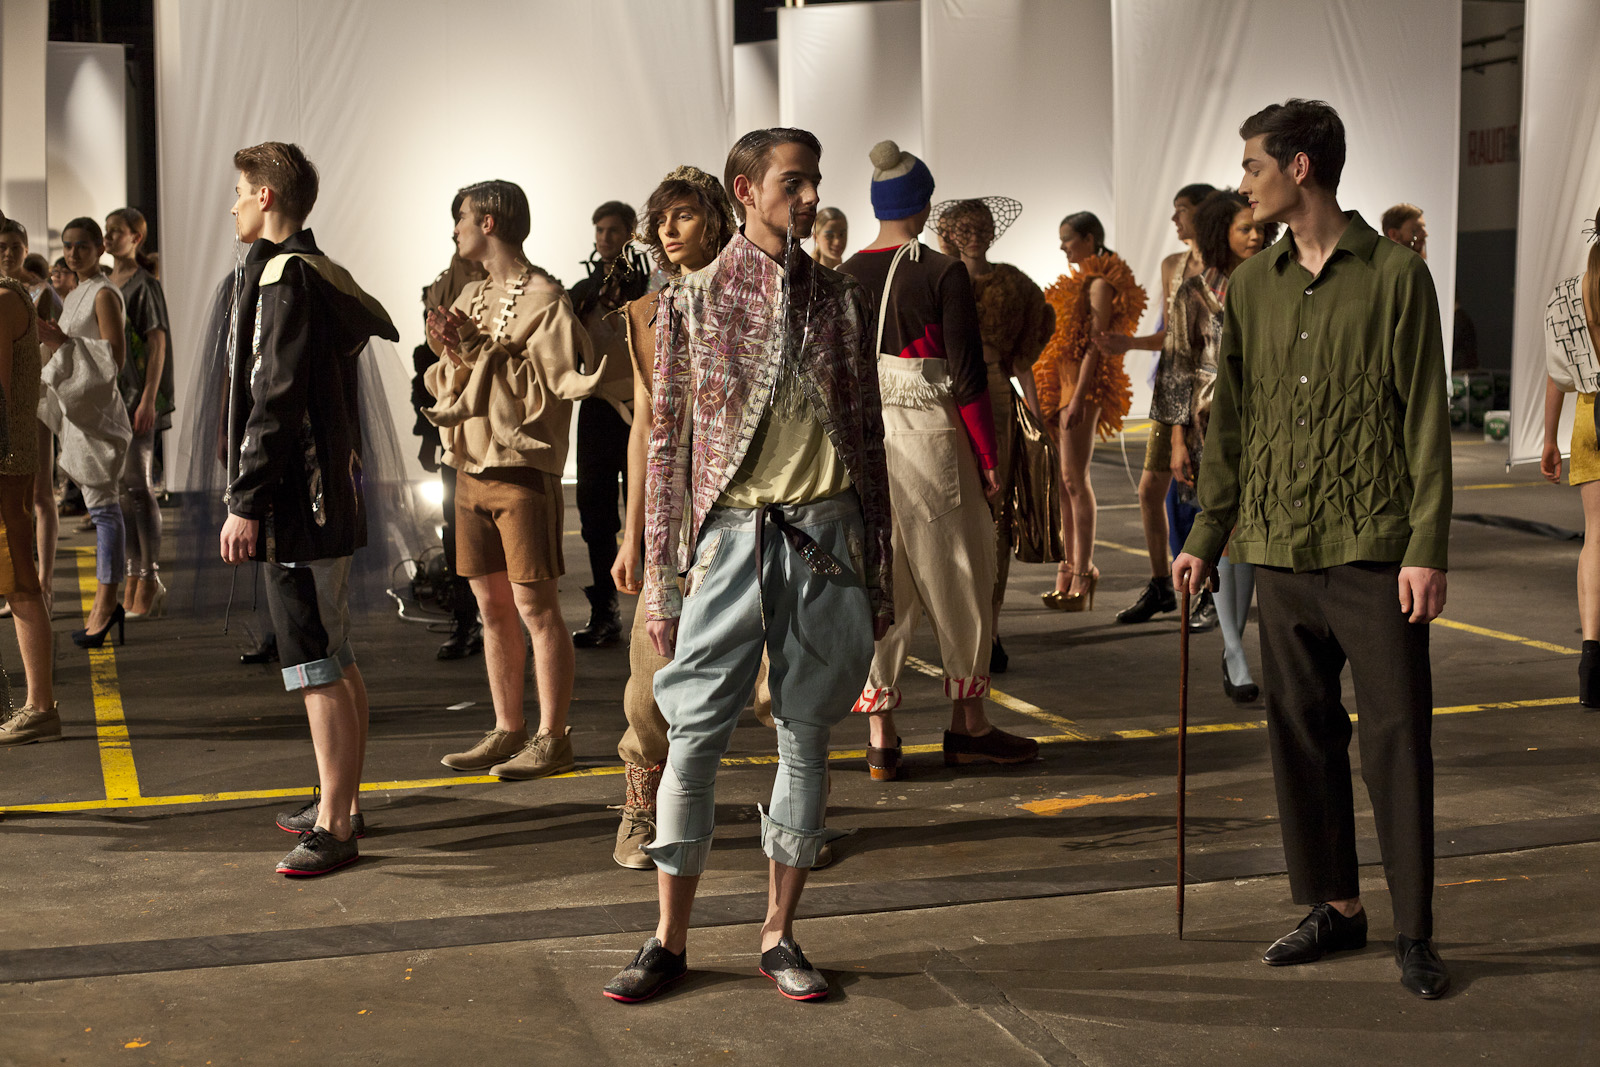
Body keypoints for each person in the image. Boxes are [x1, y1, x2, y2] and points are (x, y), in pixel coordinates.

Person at [602, 127, 891, 1004]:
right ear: (745, 188)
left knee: (806, 735)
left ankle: (779, 932)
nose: (809, 197)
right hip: (728, 540)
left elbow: (868, 436)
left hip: (827, 539)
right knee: (691, 737)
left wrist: (877, 564)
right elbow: (667, 451)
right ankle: (667, 938)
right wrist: (661, 577)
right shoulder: (689, 302)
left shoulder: (839, 296)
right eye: (793, 182)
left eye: (815, 183)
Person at [1172, 100, 1452, 1000]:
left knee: (1398, 739)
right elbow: (1235, 428)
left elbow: (1425, 422)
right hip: (1278, 548)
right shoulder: (1251, 288)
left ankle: (1414, 928)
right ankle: (1337, 905)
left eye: (1252, 165)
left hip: (1374, 546)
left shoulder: (1397, 277)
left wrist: (1426, 546)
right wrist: (1208, 536)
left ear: (1299, 167)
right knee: (1300, 738)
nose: (1241, 181)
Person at [218, 141, 398, 876]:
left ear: (266, 196)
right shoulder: (310, 272)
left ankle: (334, 822)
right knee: (334, 652)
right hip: (318, 497)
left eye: (238, 190)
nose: (231, 203)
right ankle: (339, 800)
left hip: (300, 501)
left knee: (315, 661)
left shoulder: (286, 278)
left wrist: (245, 499)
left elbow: (276, 399)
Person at [842, 145, 1033, 781]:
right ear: (923, 205)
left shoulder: (842, 273)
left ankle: (881, 736)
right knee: (960, 574)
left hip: (864, 443)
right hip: (929, 434)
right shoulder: (941, 272)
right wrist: (988, 458)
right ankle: (968, 724)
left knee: (881, 581)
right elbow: (969, 374)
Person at [423, 180, 601, 781]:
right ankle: (508, 729)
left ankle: (553, 736)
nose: (455, 230)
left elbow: (548, 391)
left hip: (522, 472)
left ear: (490, 222)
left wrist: (476, 352)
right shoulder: (472, 293)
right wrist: (453, 353)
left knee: (536, 606)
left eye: (462, 219)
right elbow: (455, 379)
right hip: (470, 470)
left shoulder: (547, 299)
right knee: (490, 606)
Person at [607, 165, 739, 869]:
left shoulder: (753, 300)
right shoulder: (645, 314)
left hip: (749, 503)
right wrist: (633, 534)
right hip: (673, 511)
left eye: (684, 214)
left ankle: (796, 804)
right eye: (661, 217)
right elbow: (643, 429)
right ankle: (641, 806)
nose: (668, 228)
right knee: (652, 670)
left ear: (716, 218)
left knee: (780, 677)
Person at [931, 196, 1051, 674]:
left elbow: (1021, 360)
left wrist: (1038, 420)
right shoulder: (937, 277)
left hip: (996, 393)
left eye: (982, 226)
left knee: (995, 511)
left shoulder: (1014, 285)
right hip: (942, 393)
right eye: (966, 227)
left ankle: (991, 627)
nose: (975, 234)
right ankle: (956, 626)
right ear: (951, 232)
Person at [1170, 190, 1276, 703]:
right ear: (1220, 234)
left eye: (1258, 226)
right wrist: (1174, 440)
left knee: (1247, 531)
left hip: (1264, 418)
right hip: (1208, 423)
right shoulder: (1193, 292)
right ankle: (1234, 648)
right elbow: (1177, 368)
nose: (1255, 234)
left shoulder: (1275, 280)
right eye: (1243, 228)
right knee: (1222, 527)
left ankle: (1234, 643)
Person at [1095, 183, 1215, 624]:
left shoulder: (1228, 267)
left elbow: (1190, 336)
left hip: (1211, 392)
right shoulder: (1173, 265)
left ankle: (1206, 589)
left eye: (1182, 210)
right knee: (1152, 490)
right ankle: (1162, 584)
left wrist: (1128, 341)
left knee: (1203, 495)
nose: (1174, 219)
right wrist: (1132, 342)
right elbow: (1173, 333)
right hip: (1174, 386)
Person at [1034, 212, 1147, 611]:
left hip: (1081, 387)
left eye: (1067, 239)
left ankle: (1084, 569)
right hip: (1060, 383)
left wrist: (1079, 397)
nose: (1062, 246)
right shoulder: (1076, 284)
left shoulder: (1099, 285)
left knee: (1074, 477)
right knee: (1062, 482)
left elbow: (1095, 345)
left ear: (1088, 238)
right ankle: (1067, 565)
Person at [37, 218, 130, 648]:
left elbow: (114, 357)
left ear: (98, 249)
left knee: (106, 511)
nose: (72, 254)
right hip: (82, 415)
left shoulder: (104, 293)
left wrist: (62, 343)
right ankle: (104, 604)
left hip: (98, 416)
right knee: (101, 510)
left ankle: (108, 603)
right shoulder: (75, 292)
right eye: (67, 246)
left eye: (81, 246)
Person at [569, 200, 651, 649]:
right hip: (598, 411)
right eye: (599, 229)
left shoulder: (650, 288)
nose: (604, 237)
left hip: (642, 410)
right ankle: (605, 611)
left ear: (630, 232)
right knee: (595, 516)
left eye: (613, 229)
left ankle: (653, 610)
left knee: (644, 512)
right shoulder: (582, 291)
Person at [0, 208, 60, 746]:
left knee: (20, 581)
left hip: (3, 463)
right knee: (18, 581)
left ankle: (40, 703)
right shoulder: (15, 296)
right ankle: (38, 702)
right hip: (10, 458)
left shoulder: (3, 299)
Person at [1539, 204, 1600, 708]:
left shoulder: (1565, 295)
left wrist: (1548, 438)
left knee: (1595, 538)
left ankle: (1592, 658)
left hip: (1589, 416)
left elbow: (1558, 372)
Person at [413, 248, 487, 660]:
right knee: (458, 532)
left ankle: (501, 624)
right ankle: (465, 622)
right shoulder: (444, 288)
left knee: (497, 538)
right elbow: (426, 369)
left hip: (494, 435)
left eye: (463, 219)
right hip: (453, 438)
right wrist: (430, 438)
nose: (458, 231)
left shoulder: (509, 289)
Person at [105, 207, 174, 620]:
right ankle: (134, 574)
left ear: (137, 237)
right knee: (119, 492)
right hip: (108, 401)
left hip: (136, 400)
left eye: (118, 232)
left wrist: (149, 397)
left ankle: (149, 576)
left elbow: (157, 343)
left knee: (138, 485)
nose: (110, 238)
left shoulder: (144, 285)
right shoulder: (103, 284)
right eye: (107, 231)